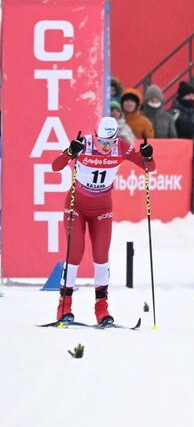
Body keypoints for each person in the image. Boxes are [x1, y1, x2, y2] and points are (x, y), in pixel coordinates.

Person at [49, 117, 155, 325]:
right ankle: (64, 307)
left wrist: (148, 156)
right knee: (75, 253)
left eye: (111, 142)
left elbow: (149, 167)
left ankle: (102, 309)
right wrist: (70, 152)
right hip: (76, 206)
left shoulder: (121, 148)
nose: (107, 147)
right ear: (95, 137)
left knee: (101, 257)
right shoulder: (83, 144)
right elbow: (55, 166)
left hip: (102, 209)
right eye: (103, 142)